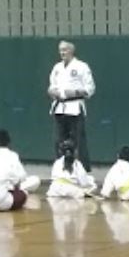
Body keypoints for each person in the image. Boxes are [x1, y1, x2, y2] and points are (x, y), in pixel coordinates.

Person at [47, 40, 96, 170]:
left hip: (75, 107)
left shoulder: (81, 66)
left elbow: (90, 88)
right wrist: (52, 92)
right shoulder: (57, 68)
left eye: (65, 50)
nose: (62, 53)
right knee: (59, 141)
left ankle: (83, 169)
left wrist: (74, 92)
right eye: (60, 50)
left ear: (72, 51)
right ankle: (60, 168)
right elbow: (51, 86)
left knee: (78, 140)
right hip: (59, 108)